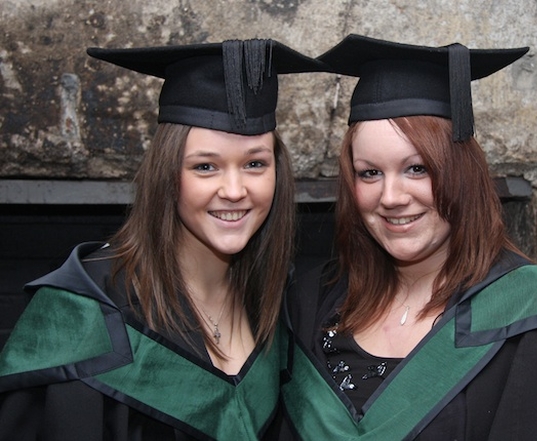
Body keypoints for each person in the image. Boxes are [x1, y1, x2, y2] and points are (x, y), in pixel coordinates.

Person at [280, 34, 537, 440]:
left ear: (461, 172)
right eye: (370, 173)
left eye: (418, 168)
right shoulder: (308, 305)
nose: (392, 197)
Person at [0, 38, 323, 440]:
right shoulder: (85, 317)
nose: (235, 189)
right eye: (205, 166)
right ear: (168, 174)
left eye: (255, 163)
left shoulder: (279, 300)